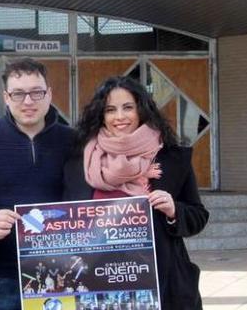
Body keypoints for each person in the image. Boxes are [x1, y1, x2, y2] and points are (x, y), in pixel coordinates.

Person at [63, 76, 209, 310]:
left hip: (163, 286)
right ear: (101, 115)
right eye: (110, 110)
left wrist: (174, 211)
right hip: (98, 288)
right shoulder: (79, 163)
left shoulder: (171, 158)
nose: (119, 117)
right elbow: (66, 222)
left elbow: (198, 216)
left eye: (128, 107)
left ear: (142, 110)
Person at [0, 57, 74, 310]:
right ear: (7, 97)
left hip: (62, 271)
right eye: (18, 94)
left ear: (49, 94)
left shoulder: (74, 141)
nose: (28, 101)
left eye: (36, 92)